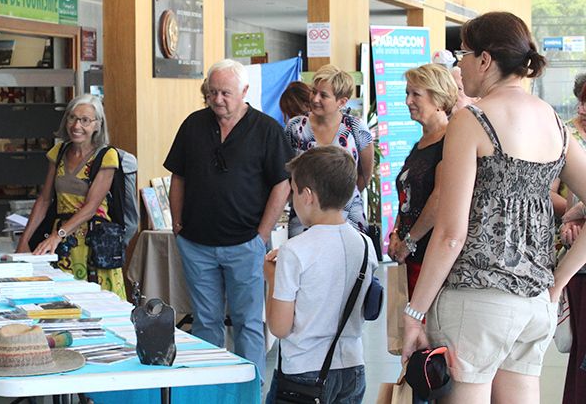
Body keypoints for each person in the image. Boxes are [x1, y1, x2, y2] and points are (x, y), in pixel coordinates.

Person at [401, 12, 586, 403]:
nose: (459, 64)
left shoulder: (473, 119)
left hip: (477, 298)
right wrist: (557, 283)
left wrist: (414, 312)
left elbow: (452, 235)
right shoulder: (555, 123)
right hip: (535, 304)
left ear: (485, 60)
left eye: (463, 54)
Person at [165, 58, 293, 379]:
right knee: (205, 321)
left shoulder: (267, 130)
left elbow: (282, 183)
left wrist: (261, 235)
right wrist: (177, 224)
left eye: (226, 93)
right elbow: (177, 177)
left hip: (245, 243)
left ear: (244, 91)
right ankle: (211, 385)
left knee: (248, 321)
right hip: (196, 243)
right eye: (212, 92)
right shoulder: (193, 125)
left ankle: (249, 388)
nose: (218, 99)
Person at [264, 146, 377, 404]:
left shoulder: (294, 251)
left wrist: (272, 279)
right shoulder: (364, 244)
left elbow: (280, 328)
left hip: (303, 372)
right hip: (352, 367)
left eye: (293, 191)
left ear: (307, 196)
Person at [16, 94, 126, 298]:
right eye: (72, 118)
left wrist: (58, 236)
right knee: (61, 302)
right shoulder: (58, 152)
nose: (77, 125)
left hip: (93, 243)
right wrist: (25, 240)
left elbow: (90, 208)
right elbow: (44, 200)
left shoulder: (106, 156)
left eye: (85, 120)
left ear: (97, 125)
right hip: (62, 244)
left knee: (97, 304)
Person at [387, 64, 457, 297]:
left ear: (438, 99)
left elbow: (440, 199)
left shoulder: (450, 141)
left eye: (416, 94)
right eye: (407, 93)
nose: (408, 101)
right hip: (410, 255)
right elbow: (407, 197)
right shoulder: (420, 144)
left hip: (432, 258)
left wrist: (409, 242)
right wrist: (396, 234)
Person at [285, 64, 374, 234]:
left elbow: (364, 174)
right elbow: (286, 172)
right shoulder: (295, 127)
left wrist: (340, 198)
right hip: (305, 215)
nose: (315, 99)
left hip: (347, 215)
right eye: (313, 91)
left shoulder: (356, 127)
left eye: (323, 95)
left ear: (342, 101)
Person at [560, 74, 586, 404]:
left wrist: (576, 212)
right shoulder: (566, 133)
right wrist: (570, 218)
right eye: (581, 100)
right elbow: (560, 195)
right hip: (578, 257)